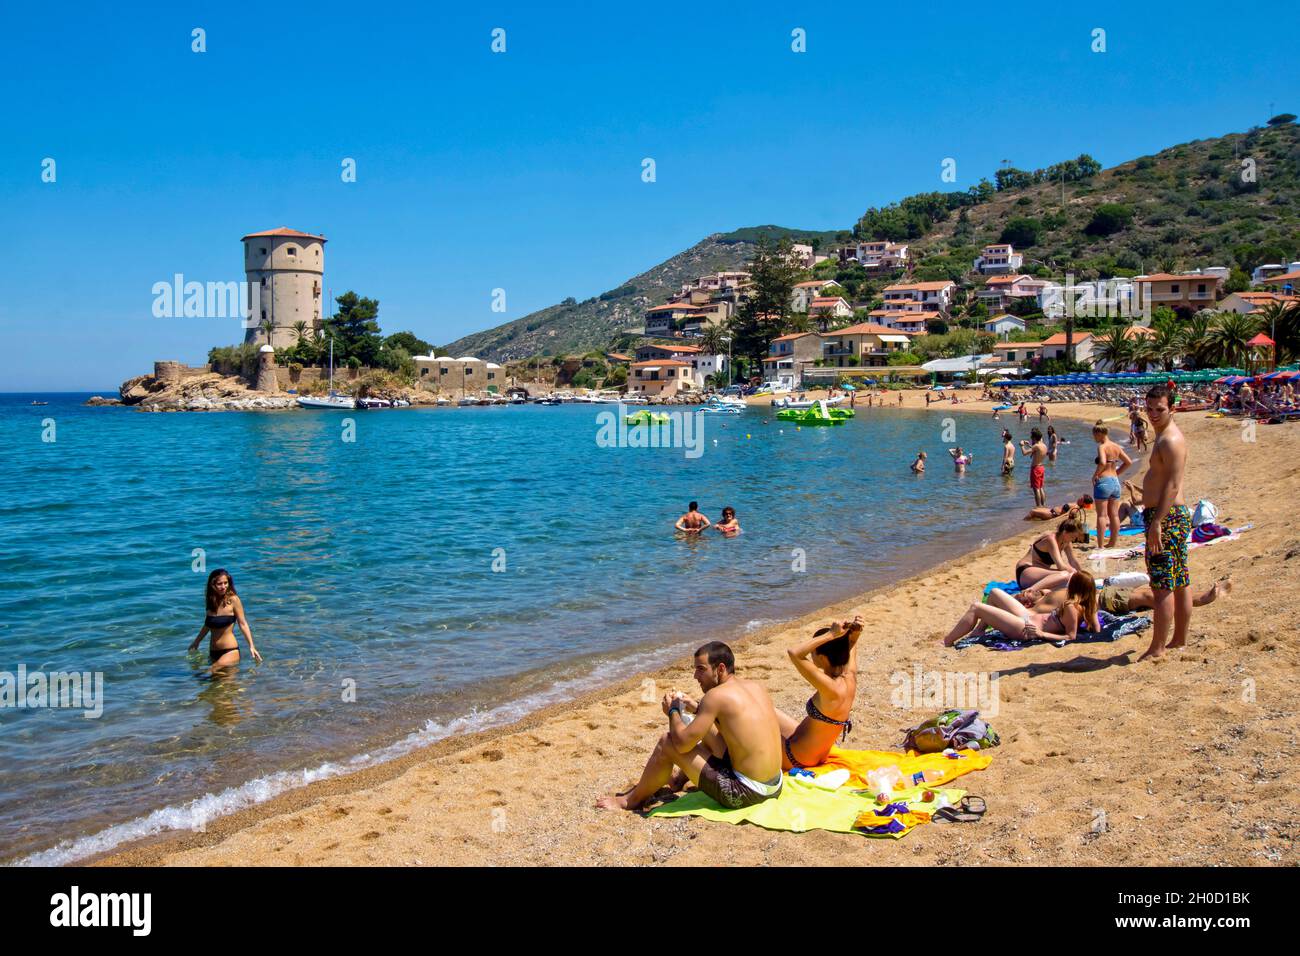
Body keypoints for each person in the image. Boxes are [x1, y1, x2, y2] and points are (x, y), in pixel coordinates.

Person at [596, 642, 783, 811]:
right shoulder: (755, 687)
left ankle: (631, 800)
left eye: (701, 669)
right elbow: (734, 727)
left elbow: (682, 745)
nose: (695, 676)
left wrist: (673, 711)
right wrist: (696, 708)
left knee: (666, 742)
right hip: (775, 785)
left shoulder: (715, 696)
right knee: (700, 727)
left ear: (720, 668)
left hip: (747, 794)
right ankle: (678, 781)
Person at [1138, 384, 1192, 661]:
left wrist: (1157, 522)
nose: (1153, 414)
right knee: (1180, 579)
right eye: (1149, 409)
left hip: (1166, 517)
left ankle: (1158, 647)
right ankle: (1179, 638)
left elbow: (1172, 485)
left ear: (1173, 407)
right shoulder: (1164, 436)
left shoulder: (1170, 439)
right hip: (1170, 516)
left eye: (1159, 409)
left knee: (1162, 585)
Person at [778, 618, 861, 769]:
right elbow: (851, 645)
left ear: (822, 658)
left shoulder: (831, 688)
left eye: (813, 653)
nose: (811, 656)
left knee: (748, 721)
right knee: (766, 709)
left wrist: (830, 634)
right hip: (817, 754)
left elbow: (794, 653)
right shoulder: (850, 676)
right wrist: (853, 632)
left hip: (795, 758)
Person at [943, 570, 1099, 646]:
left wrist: (1041, 634)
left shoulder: (1071, 607)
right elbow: (1097, 629)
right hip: (1027, 617)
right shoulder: (1083, 607)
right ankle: (980, 629)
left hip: (1026, 628)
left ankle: (947, 641)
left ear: (1074, 586)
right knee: (995, 593)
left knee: (976, 607)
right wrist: (1092, 612)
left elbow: (1071, 636)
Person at [188, 569, 262, 667]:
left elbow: (243, 623)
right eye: (219, 584)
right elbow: (207, 625)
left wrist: (251, 646)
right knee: (217, 682)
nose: (223, 586)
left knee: (208, 673)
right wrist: (196, 642)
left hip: (230, 651)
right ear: (212, 585)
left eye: (225, 583)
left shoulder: (233, 600)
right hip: (213, 653)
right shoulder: (211, 602)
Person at [1013, 512, 1089, 590]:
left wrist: (1083, 576)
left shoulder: (1066, 541)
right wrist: (1075, 573)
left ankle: (1039, 592)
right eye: (1072, 537)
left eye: (1075, 537)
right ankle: (1029, 591)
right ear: (1064, 532)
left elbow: (1073, 561)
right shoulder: (1051, 539)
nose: (1073, 540)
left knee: (1069, 582)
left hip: (1041, 572)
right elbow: (1061, 566)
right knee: (1066, 575)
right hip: (1026, 571)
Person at [1091, 422, 1134, 549]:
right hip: (1115, 481)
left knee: (1101, 515)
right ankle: (1112, 542)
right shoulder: (1116, 446)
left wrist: (1095, 475)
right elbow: (1128, 462)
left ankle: (1100, 545)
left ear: (1099, 434)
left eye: (1094, 435)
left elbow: (1103, 462)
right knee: (1114, 515)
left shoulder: (1102, 447)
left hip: (1104, 482)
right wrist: (1117, 473)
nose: (1094, 438)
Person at [1019, 428, 1049, 507]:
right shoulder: (1043, 445)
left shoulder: (1036, 446)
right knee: (1041, 487)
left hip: (1035, 469)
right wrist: (1028, 445)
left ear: (1035, 438)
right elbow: (1036, 450)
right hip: (1041, 467)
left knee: (1036, 489)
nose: (1031, 438)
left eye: (1032, 437)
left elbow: (1024, 453)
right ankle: (1044, 505)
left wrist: (1022, 445)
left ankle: (1038, 506)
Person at [1025, 494, 1093, 521]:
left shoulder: (1075, 508)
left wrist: (1054, 520)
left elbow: (1066, 516)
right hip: (1051, 511)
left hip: (1052, 514)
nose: (1079, 498)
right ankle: (1030, 522)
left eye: (1081, 499)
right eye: (1081, 497)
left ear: (1083, 503)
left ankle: (1025, 522)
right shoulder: (1076, 505)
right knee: (1036, 509)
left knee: (1032, 512)